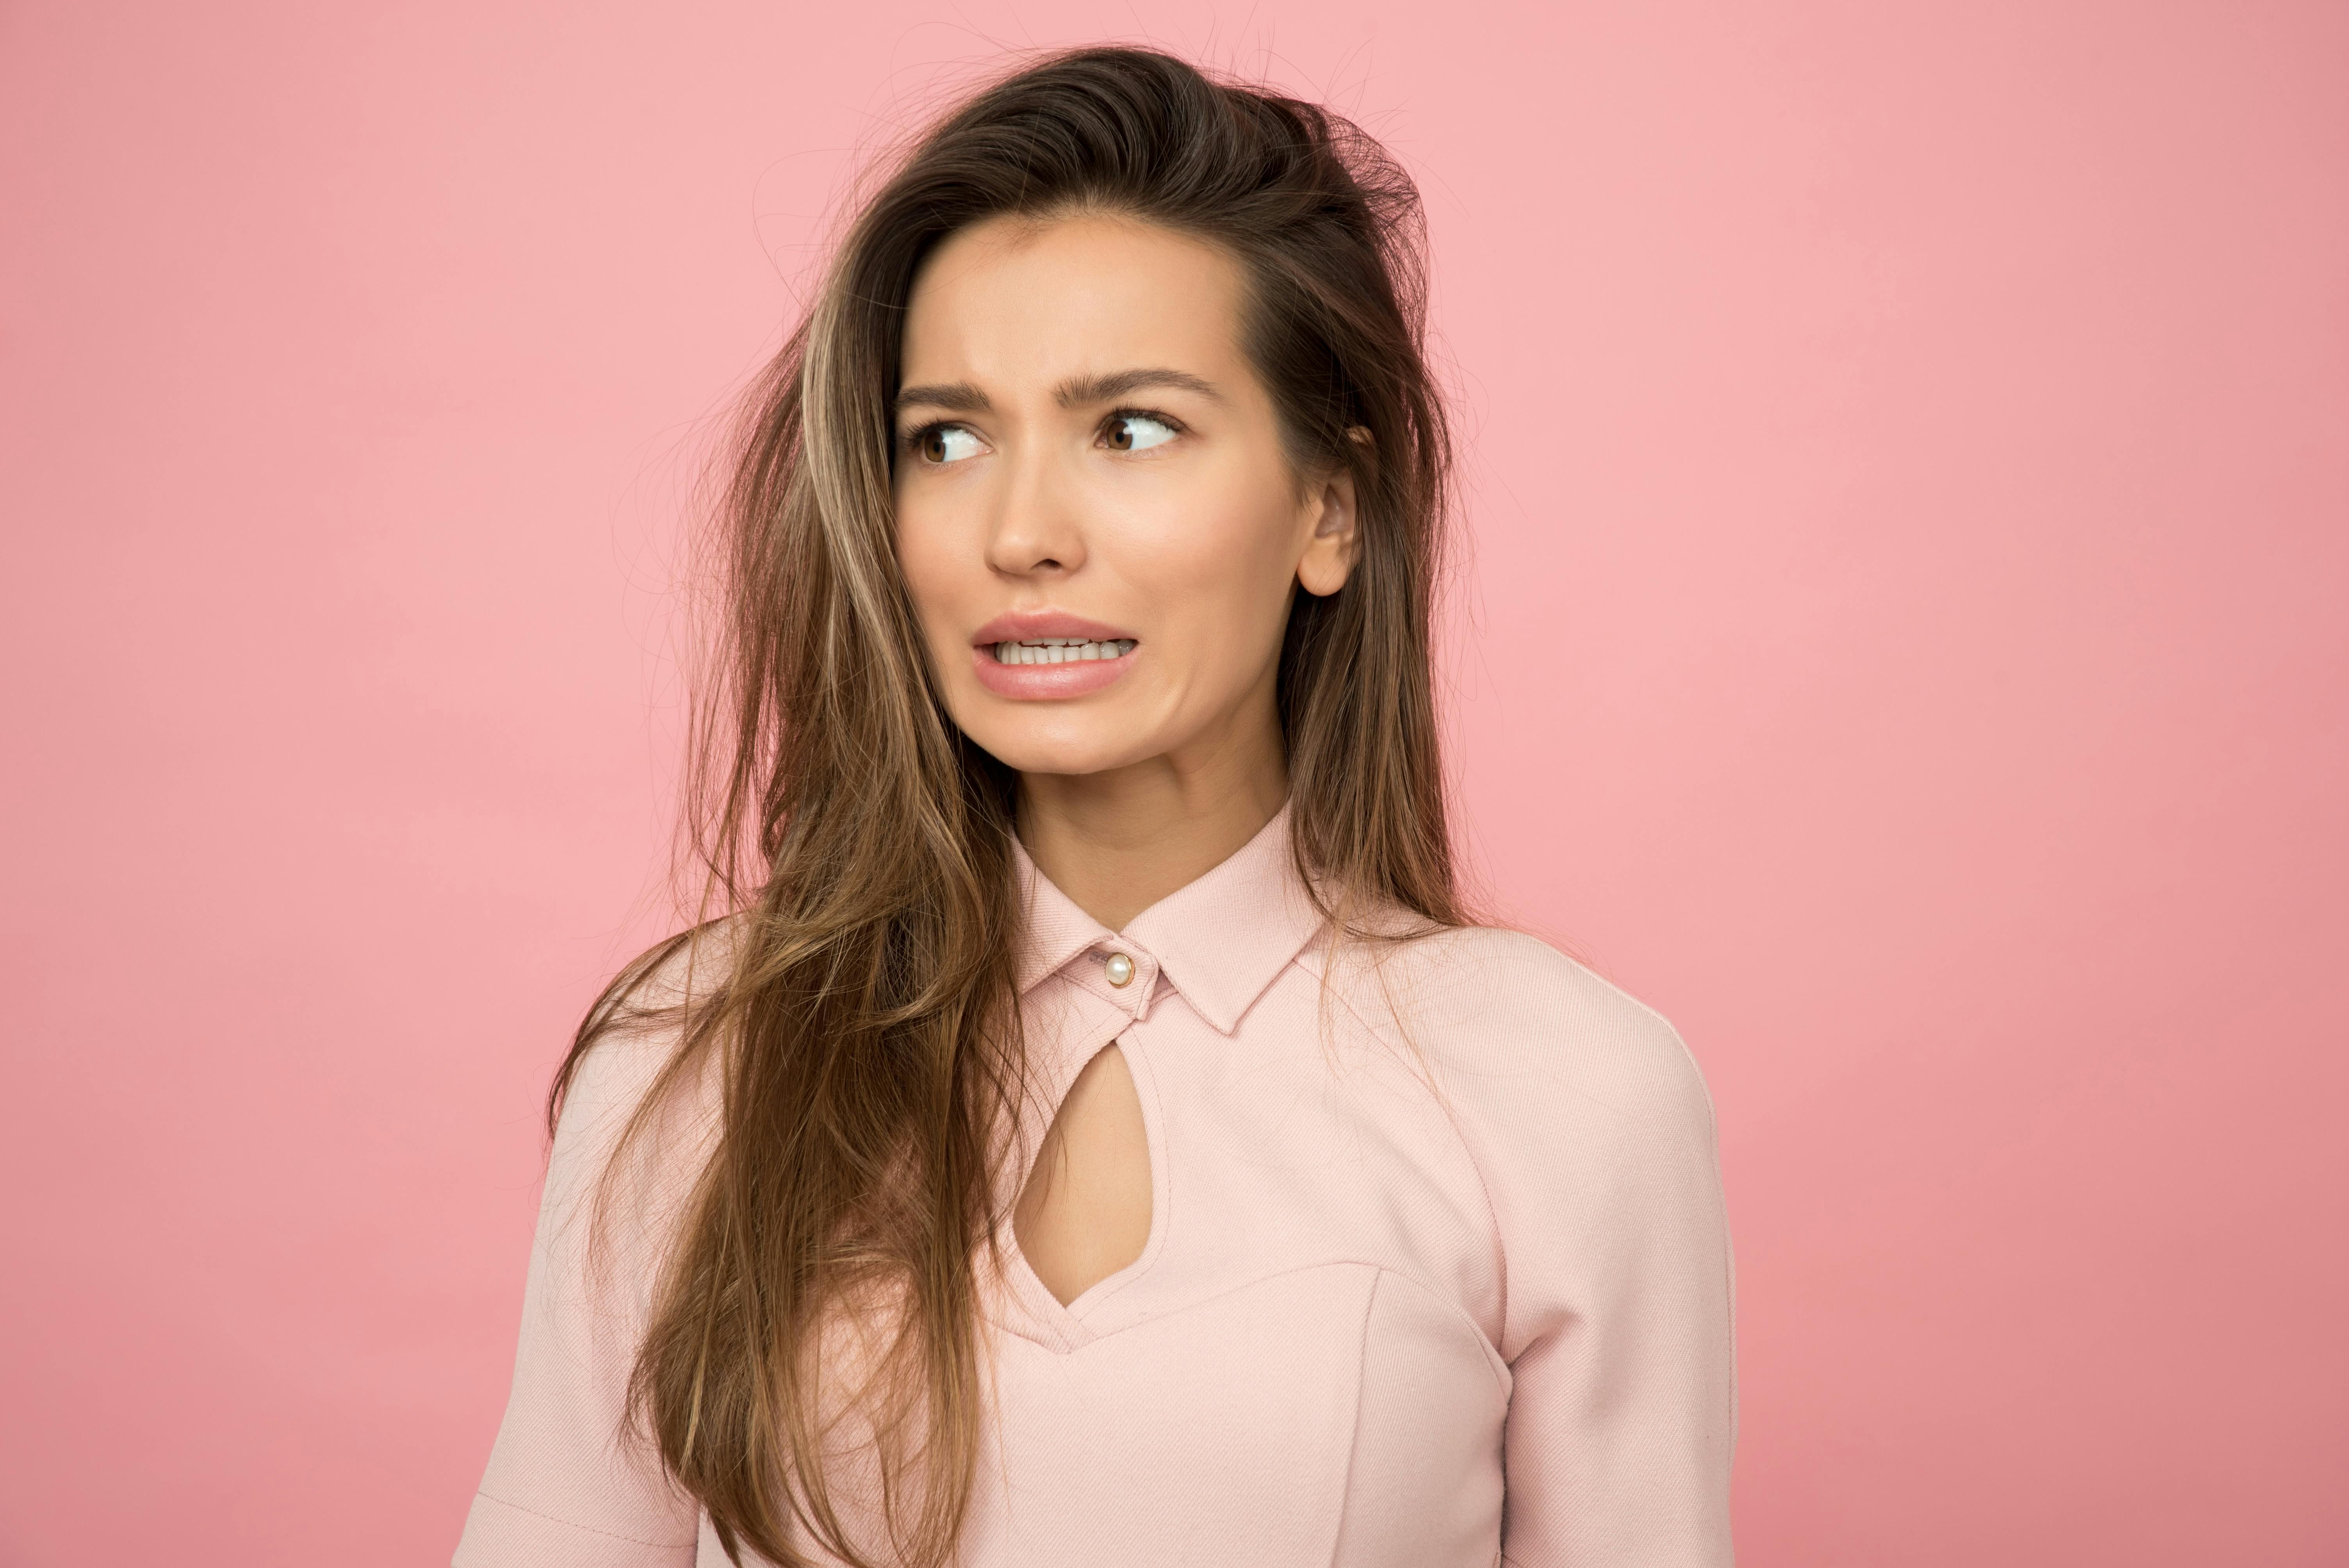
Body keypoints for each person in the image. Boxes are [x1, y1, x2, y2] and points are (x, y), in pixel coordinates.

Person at [453, 45, 1734, 1568]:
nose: (1020, 532)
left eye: (1127, 428)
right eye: (947, 436)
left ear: (1330, 506)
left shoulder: (1569, 1086)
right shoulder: (696, 1061)